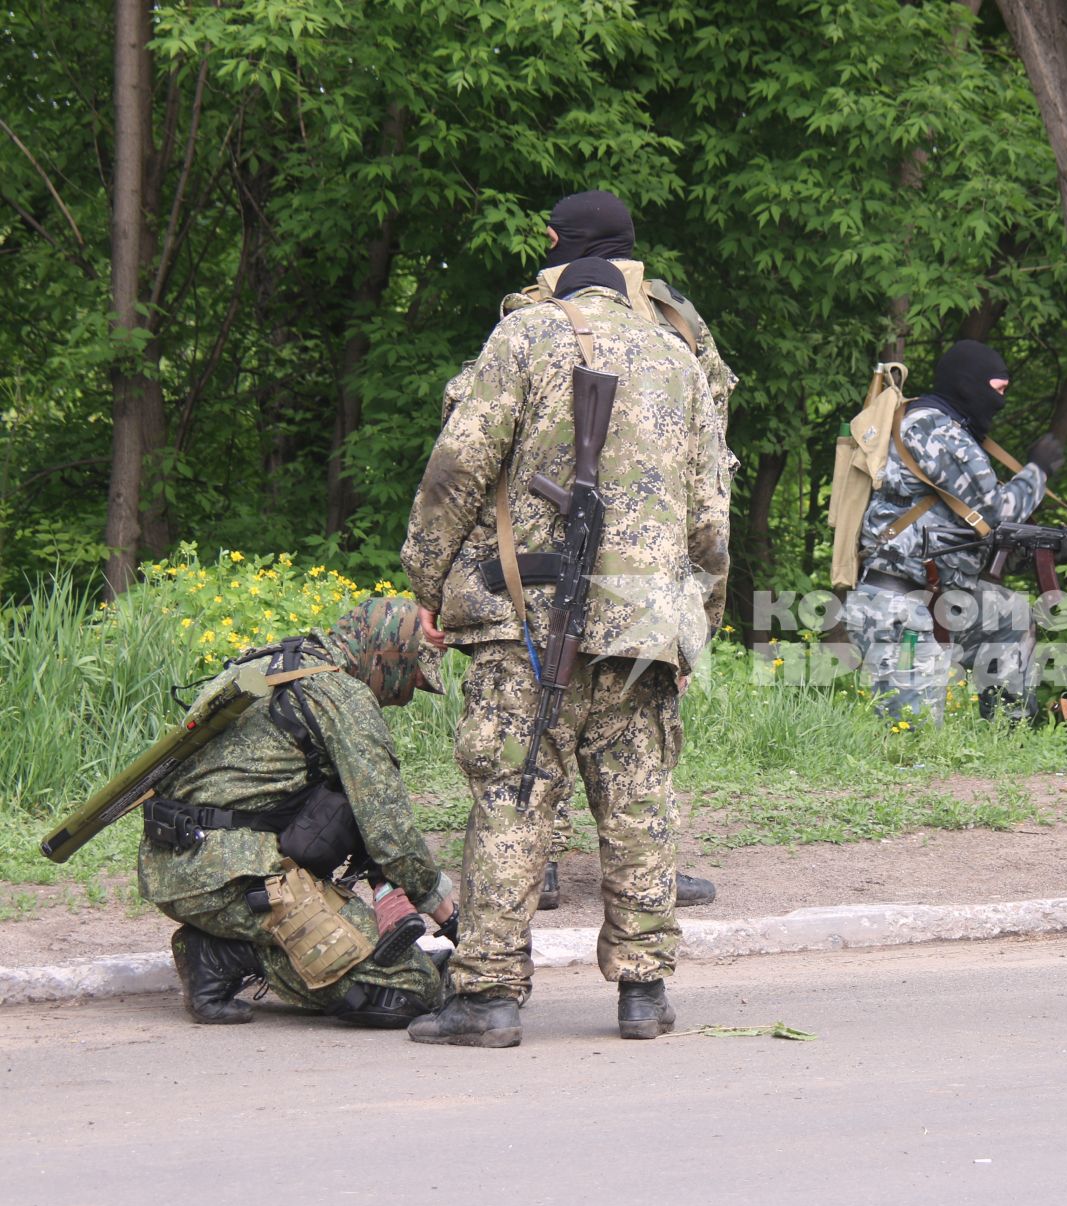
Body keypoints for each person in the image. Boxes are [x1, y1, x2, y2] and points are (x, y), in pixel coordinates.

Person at [401, 253, 729, 1048]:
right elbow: (710, 517)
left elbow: (458, 467)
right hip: (644, 629)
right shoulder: (680, 358)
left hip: (526, 622)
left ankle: (489, 998)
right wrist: (696, 630)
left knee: (513, 801)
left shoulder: (525, 336)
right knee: (639, 802)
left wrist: (426, 576)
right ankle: (644, 992)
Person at [509, 190, 726, 913]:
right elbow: (714, 450)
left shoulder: (540, 310)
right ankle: (626, 879)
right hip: (644, 563)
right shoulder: (674, 319)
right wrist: (699, 601)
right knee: (629, 729)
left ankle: (537, 865)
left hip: (559, 554)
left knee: (548, 706)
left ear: (561, 239)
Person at [139, 599, 456, 1029]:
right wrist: (447, 912)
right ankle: (218, 954)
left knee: (403, 962)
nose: (407, 696)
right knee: (410, 988)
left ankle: (231, 943)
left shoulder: (275, 664)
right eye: (413, 678)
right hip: (233, 874)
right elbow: (390, 834)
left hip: (178, 862)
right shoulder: (342, 698)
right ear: (385, 658)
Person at [844, 339, 1063, 724]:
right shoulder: (933, 430)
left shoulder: (945, 429)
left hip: (936, 596)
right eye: (998, 390)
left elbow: (971, 531)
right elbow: (995, 510)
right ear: (968, 385)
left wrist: (1053, 544)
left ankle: (1007, 732)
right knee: (914, 737)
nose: (1001, 402)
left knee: (1008, 616)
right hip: (898, 608)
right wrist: (1038, 472)